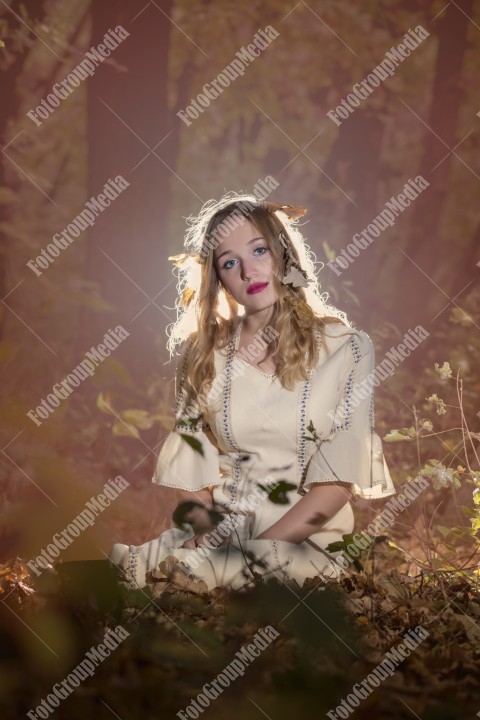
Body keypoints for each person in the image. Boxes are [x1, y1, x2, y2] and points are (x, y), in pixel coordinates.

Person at [108, 192, 396, 591]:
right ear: (218, 278)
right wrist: (206, 532)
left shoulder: (346, 347)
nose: (248, 271)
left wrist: (255, 552)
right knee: (135, 569)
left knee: (197, 578)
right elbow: (193, 460)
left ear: (283, 254)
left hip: (303, 541)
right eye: (230, 262)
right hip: (222, 535)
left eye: (259, 250)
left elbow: (338, 483)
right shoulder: (204, 352)